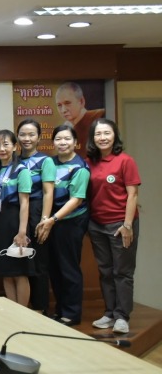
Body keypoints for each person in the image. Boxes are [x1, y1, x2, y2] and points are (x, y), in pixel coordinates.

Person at [86, 119, 141, 335]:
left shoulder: (125, 161)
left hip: (121, 224)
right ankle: (109, 313)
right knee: (105, 271)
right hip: (97, 224)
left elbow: (133, 194)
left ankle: (122, 316)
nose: (102, 137)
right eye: (98, 134)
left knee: (122, 272)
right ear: (92, 138)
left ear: (115, 135)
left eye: (107, 133)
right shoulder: (89, 161)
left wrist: (127, 225)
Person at [35, 125, 89, 326]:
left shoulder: (80, 167)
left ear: (76, 142)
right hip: (52, 222)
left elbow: (76, 200)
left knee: (68, 268)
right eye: (58, 139)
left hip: (70, 222)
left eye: (67, 139)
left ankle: (72, 313)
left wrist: (52, 219)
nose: (63, 143)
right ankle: (60, 309)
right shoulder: (51, 163)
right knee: (54, 268)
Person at [0, 130, 33, 306]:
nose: (2, 149)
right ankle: (13, 311)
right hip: (0, 222)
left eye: (6, 144)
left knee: (19, 271)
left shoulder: (21, 170)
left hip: (16, 221)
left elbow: (25, 203)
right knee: (5, 271)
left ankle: (23, 312)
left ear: (15, 146)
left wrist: (22, 232)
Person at [17, 118, 55, 315]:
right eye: (22, 134)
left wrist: (45, 220)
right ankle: (24, 307)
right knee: (22, 263)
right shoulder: (14, 160)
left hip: (38, 212)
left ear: (39, 137)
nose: (26, 138)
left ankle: (40, 309)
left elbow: (49, 191)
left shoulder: (45, 160)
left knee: (38, 262)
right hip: (18, 213)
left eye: (31, 134)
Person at [55, 82, 106, 158]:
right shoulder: (66, 128)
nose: (63, 110)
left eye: (67, 103)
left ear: (81, 101)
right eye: (59, 105)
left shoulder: (100, 116)